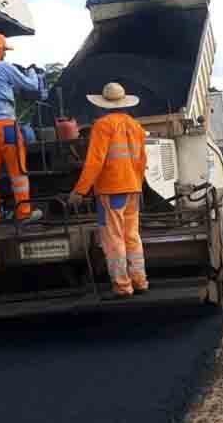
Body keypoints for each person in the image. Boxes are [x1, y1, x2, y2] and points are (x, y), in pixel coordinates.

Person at [68, 82, 149, 298]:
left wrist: (80, 190)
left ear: (102, 105)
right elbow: (142, 161)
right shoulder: (135, 126)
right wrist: (136, 184)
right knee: (132, 235)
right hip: (133, 188)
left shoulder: (103, 126)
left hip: (111, 190)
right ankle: (140, 281)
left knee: (114, 239)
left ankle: (122, 287)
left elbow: (95, 162)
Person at [0, 32, 47, 229]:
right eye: (3, 50)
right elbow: (30, 85)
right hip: (5, 126)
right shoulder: (4, 67)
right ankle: (23, 214)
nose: (4, 54)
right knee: (17, 172)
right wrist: (31, 72)